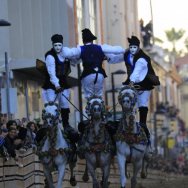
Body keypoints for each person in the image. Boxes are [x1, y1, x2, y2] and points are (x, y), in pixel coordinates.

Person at [107, 35, 160, 145]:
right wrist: (107, 58)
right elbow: (117, 58)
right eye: (131, 47)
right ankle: (128, 123)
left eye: (134, 48)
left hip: (144, 84)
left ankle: (143, 125)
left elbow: (136, 71)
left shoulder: (142, 58)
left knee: (142, 104)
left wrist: (131, 82)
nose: (132, 50)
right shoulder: (127, 54)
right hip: (132, 84)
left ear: (138, 48)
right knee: (129, 103)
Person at [67, 28, 125, 114]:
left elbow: (73, 58)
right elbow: (117, 50)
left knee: (89, 97)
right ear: (92, 40)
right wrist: (125, 51)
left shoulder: (81, 49)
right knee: (99, 96)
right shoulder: (100, 48)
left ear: (83, 40)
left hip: (87, 75)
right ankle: (101, 113)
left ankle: (91, 115)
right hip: (100, 75)